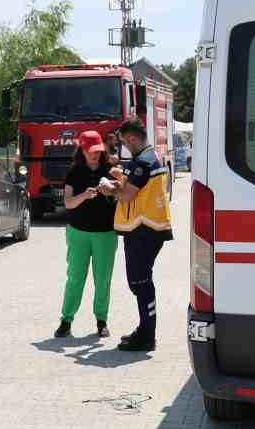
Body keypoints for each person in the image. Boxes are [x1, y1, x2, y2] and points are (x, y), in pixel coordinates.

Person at [100, 119, 172, 352]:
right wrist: (121, 176)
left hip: (143, 229)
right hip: (149, 228)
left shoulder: (142, 162)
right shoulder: (150, 157)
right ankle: (144, 329)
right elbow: (139, 188)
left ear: (132, 138)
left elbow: (128, 195)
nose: (123, 147)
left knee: (140, 283)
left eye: (123, 142)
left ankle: (147, 335)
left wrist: (108, 188)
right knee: (141, 282)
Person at [56, 130, 118, 338]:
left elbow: (123, 195)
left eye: (98, 151)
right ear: (82, 150)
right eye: (91, 151)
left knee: (103, 279)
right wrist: (83, 195)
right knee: (75, 278)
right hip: (78, 233)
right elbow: (68, 203)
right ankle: (66, 320)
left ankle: (102, 321)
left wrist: (113, 186)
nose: (95, 155)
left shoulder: (111, 170)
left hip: (106, 233)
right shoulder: (74, 172)